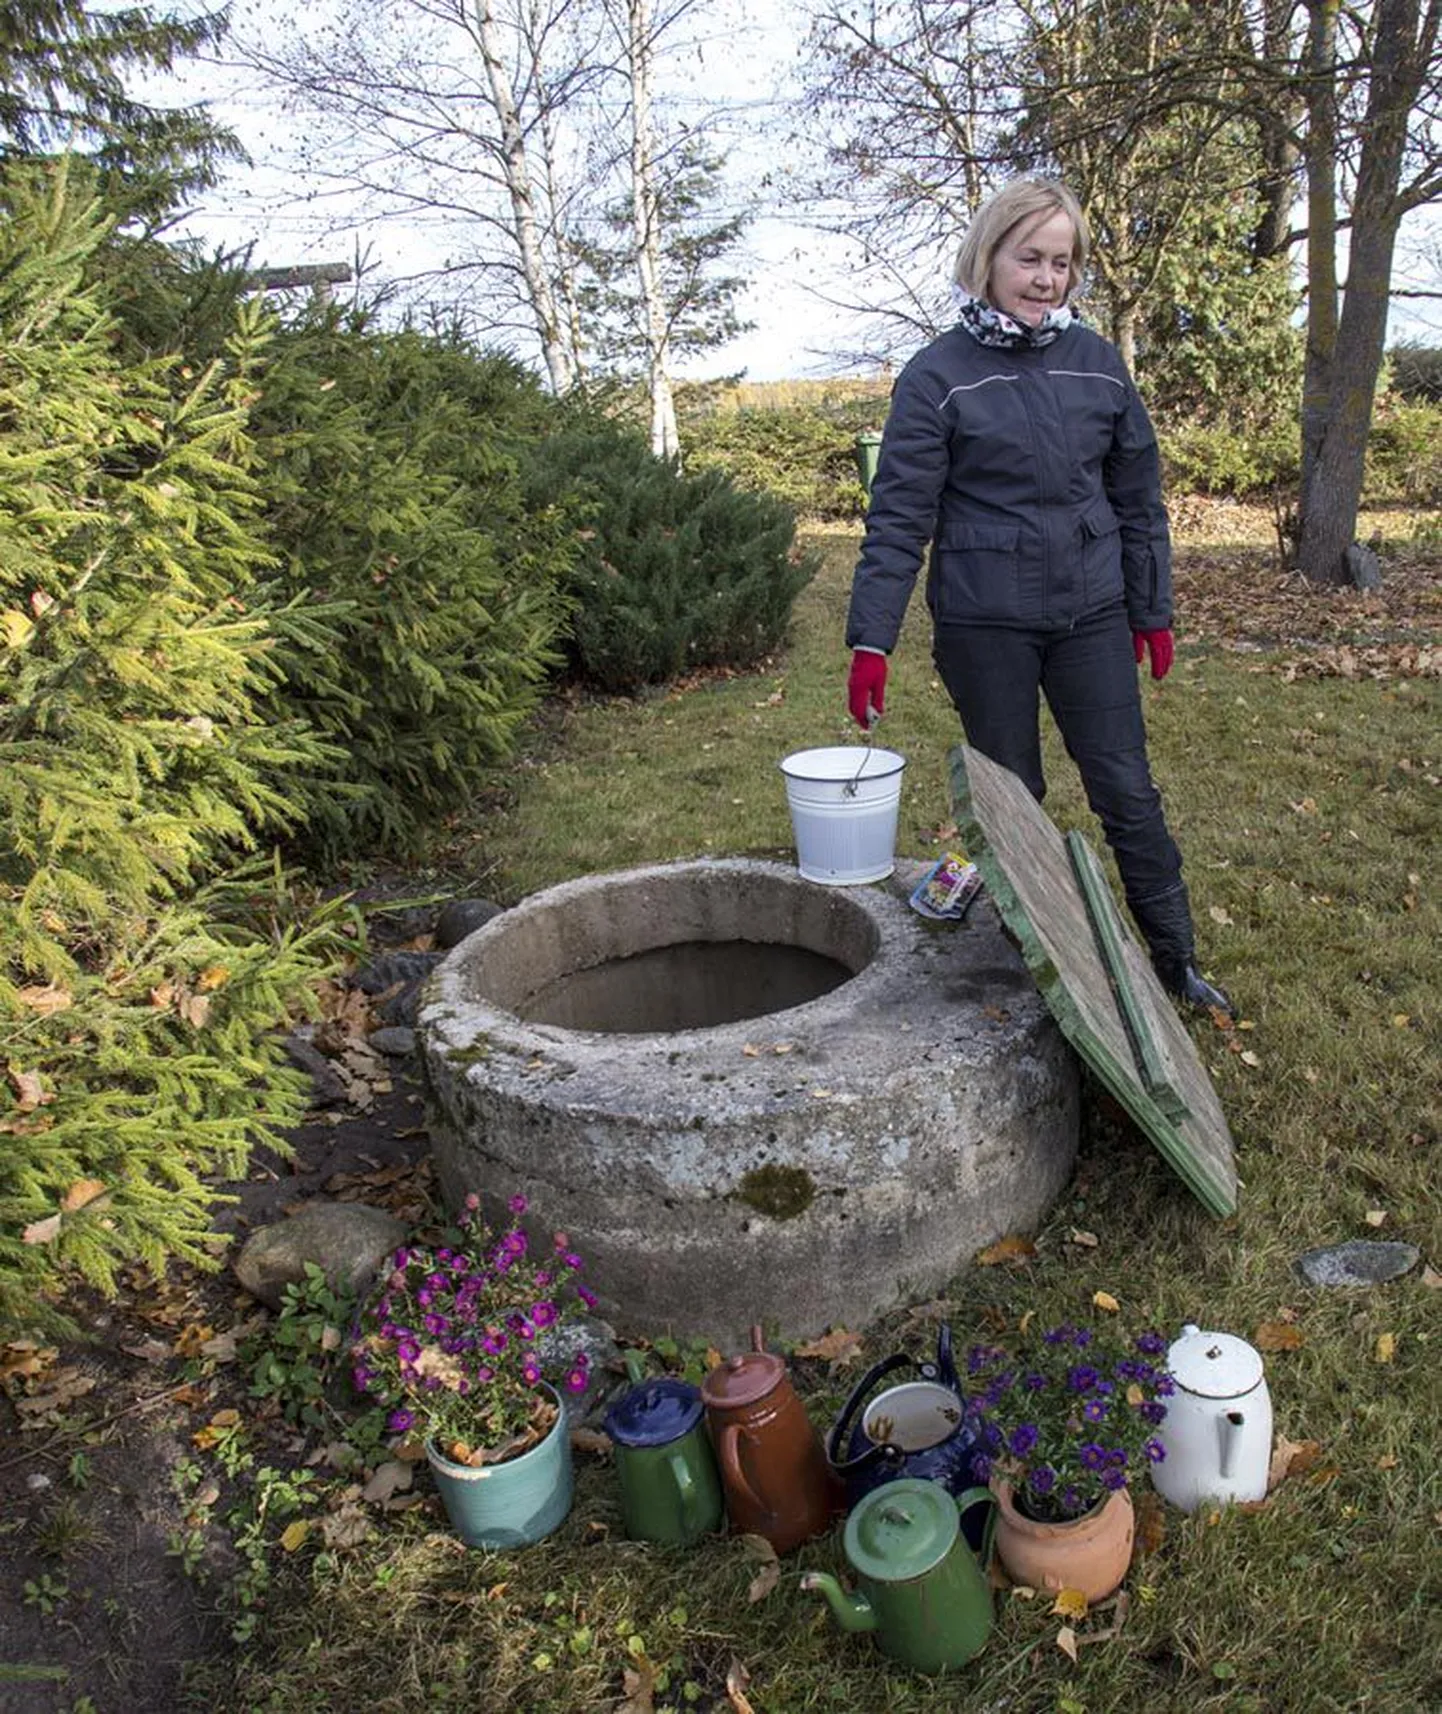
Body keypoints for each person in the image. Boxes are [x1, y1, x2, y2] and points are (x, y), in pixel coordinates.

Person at [844, 176, 1233, 1016]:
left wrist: (1151, 610)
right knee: (1014, 796)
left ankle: (1176, 963)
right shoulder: (936, 376)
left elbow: (1138, 498)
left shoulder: (1099, 366)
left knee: (1125, 787)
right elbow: (899, 515)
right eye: (1030, 259)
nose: (1047, 278)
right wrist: (871, 640)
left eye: (1062, 262)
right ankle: (1034, 965)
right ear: (989, 258)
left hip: (1091, 612)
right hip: (986, 624)